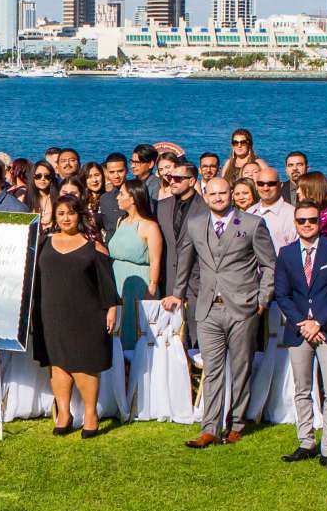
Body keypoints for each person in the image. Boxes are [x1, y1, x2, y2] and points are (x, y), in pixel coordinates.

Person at [169, 173, 275, 449]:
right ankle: (210, 428)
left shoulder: (252, 224)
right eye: (212, 194)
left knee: (241, 368)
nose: (218, 198)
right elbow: (185, 262)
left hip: (242, 307)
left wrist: (262, 300)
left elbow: (270, 266)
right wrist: (178, 295)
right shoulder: (195, 224)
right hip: (207, 309)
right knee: (213, 369)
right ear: (205, 196)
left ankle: (237, 423)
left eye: (223, 193)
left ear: (231, 194)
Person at [273, 201, 327, 472]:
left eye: (312, 220)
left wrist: (318, 322)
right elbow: (282, 294)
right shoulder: (286, 254)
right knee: (301, 389)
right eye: (302, 221)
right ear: (295, 224)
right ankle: (306, 441)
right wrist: (302, 322)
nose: (307, 225)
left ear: (320, 223)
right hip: (298, 331)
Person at [30, 196, 119, 435]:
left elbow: (108, 283)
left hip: (87, 315)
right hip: (50, 313)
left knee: (85, 365)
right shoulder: (43, 243)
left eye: (70, 213)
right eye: (60, 213)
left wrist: (112, 309)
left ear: (79, 215)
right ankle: (64, 414)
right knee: (57, 364)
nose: (66, 218)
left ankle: (90, 414)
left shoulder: (93, 245)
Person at [107, 181, 161, 347]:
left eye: (122, 194)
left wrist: (151, 289)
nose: (117, 197)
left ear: (133, 198)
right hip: (117, 280)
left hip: (139, 284)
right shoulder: (121, 221)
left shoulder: (149, 226)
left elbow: (155, 260)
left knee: (134, 329)